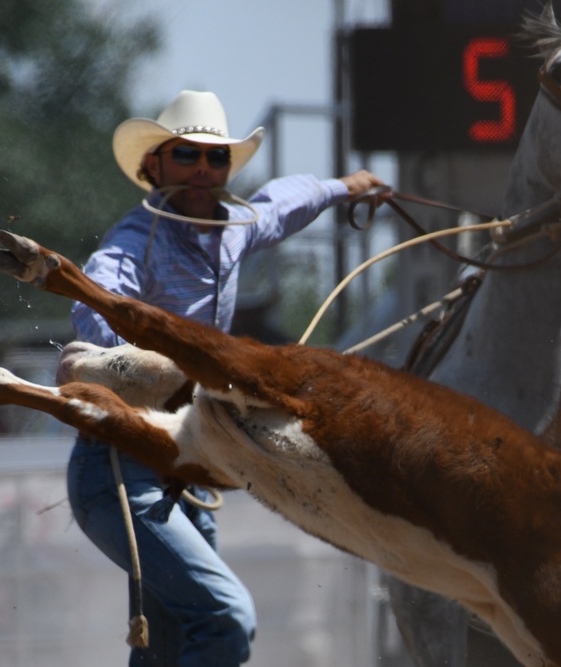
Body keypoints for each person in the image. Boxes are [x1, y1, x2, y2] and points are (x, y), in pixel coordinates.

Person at [64, 89, 385, 666]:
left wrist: (345, 186)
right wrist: (131, 358)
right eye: (187, 155)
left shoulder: (232, 227)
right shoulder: (133, 243)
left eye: (216, 159)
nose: (204, 170)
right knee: (223, 618)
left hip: (191, 467)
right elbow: (99, 298)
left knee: (171, 643)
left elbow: (283, 201)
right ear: (153, 165)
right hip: (121, 468)